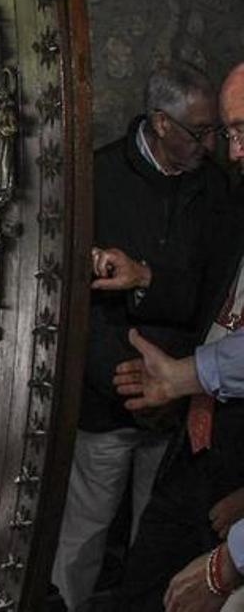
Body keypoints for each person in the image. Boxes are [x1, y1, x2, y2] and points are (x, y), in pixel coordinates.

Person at [48, 62, 226, 611]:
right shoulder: (97, 178)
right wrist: (121, 375)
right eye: (201, 132)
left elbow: (216, 291)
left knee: (161, 535)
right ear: (160, 124)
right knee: (82, 535)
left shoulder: (217, 187)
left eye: (217, 130)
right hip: (111, 394)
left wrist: (180, 375)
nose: (212, 144)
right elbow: (74, 295)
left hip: (186, 394)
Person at [112, 61, 244, 612]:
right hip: (199, 437)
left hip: (232, 458)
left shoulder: (215, 191)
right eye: (223, 133)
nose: (230, 150)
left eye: (238, 131)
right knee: (146, 583)